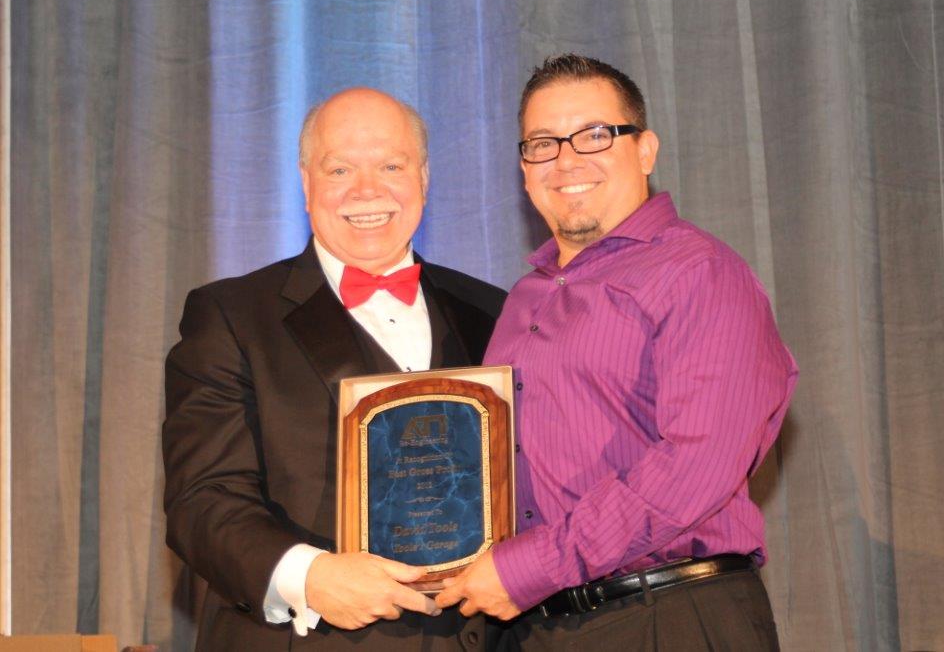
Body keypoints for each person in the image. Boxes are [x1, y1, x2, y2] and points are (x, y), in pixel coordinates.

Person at [436, 54, 798, 650]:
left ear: (645, 150)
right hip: (536, 626)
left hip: (667, 617)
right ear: (524, 169)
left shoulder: (700, 271)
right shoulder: (523, 300)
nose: (566, 160)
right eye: (543, 143)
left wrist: (532, 567)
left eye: (595, 134)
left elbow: (694, 465)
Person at [163, 87, 507, 651]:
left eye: (391, 166)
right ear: (306, 184)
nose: (367, 190)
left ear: (423, 177)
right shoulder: (230, 315)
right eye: (340, 168)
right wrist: (310, 577)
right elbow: (202, 501)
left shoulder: (493, 309)